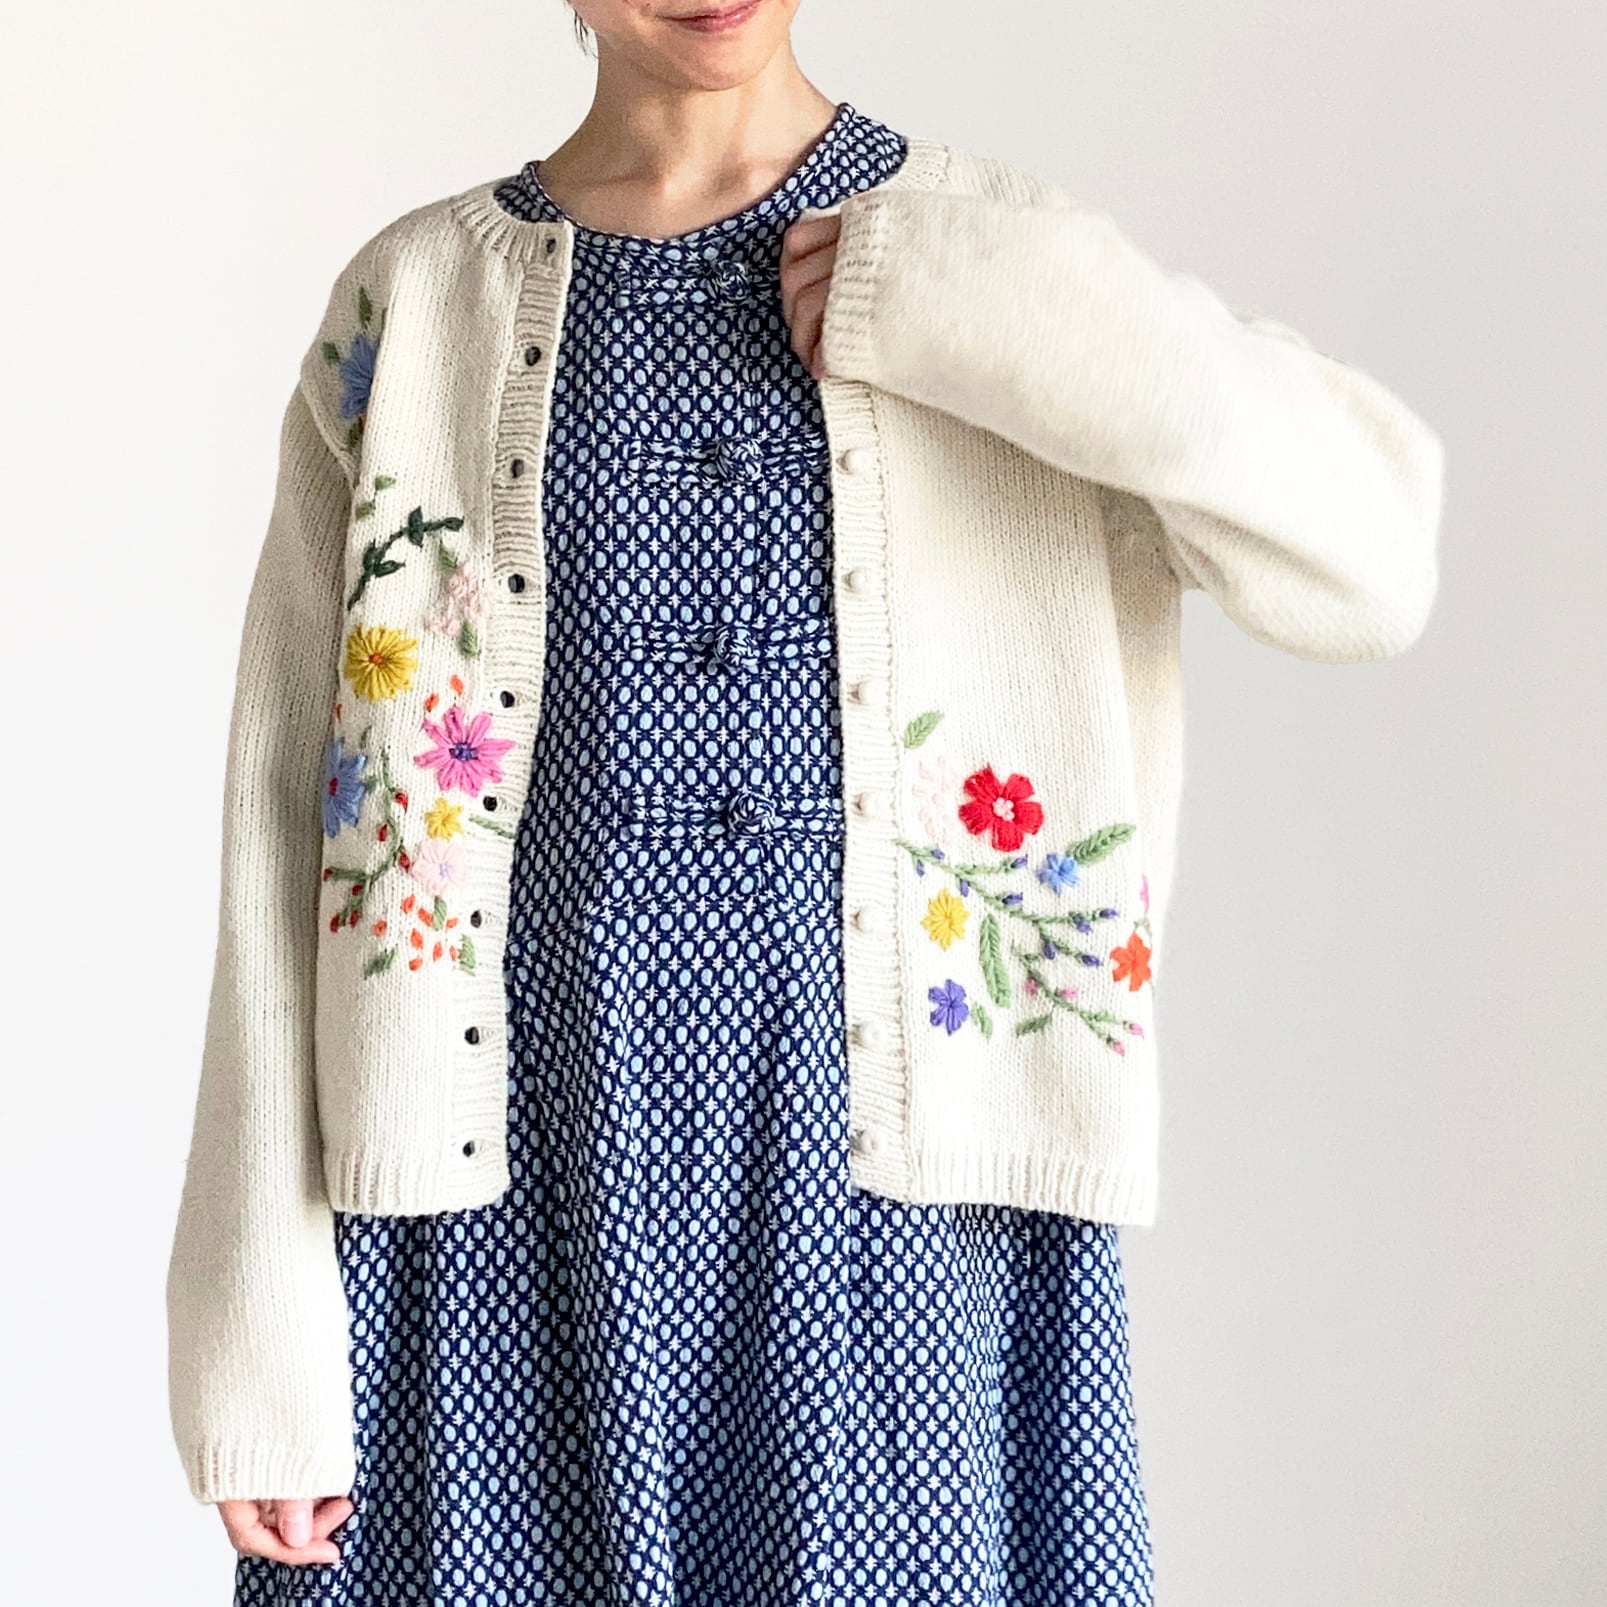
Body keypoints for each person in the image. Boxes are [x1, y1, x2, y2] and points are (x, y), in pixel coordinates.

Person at [167, 0, 1444, 1601]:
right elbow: (281, 811)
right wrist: (252, 1324)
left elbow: (1375, 564)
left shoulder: (991, 253)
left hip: (894, 1209)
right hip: (495, 1208)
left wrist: (982, 300)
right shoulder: (417, 304)